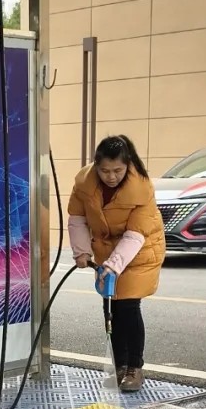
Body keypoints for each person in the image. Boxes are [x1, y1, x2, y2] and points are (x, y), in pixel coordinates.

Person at [67, 133, 165, 393]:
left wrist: (114, 264)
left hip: (140, 250)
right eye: (105, 171)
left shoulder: (142, 188)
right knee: (110, 305)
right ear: (96, 166)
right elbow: (77, 218)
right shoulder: (84, 184)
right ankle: (119, 364)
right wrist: (81, 251)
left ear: (127, 164)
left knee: (128, 306)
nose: (111, 176)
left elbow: (135, 235)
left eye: (117, 171)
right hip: (106, 249)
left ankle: (135, 367)